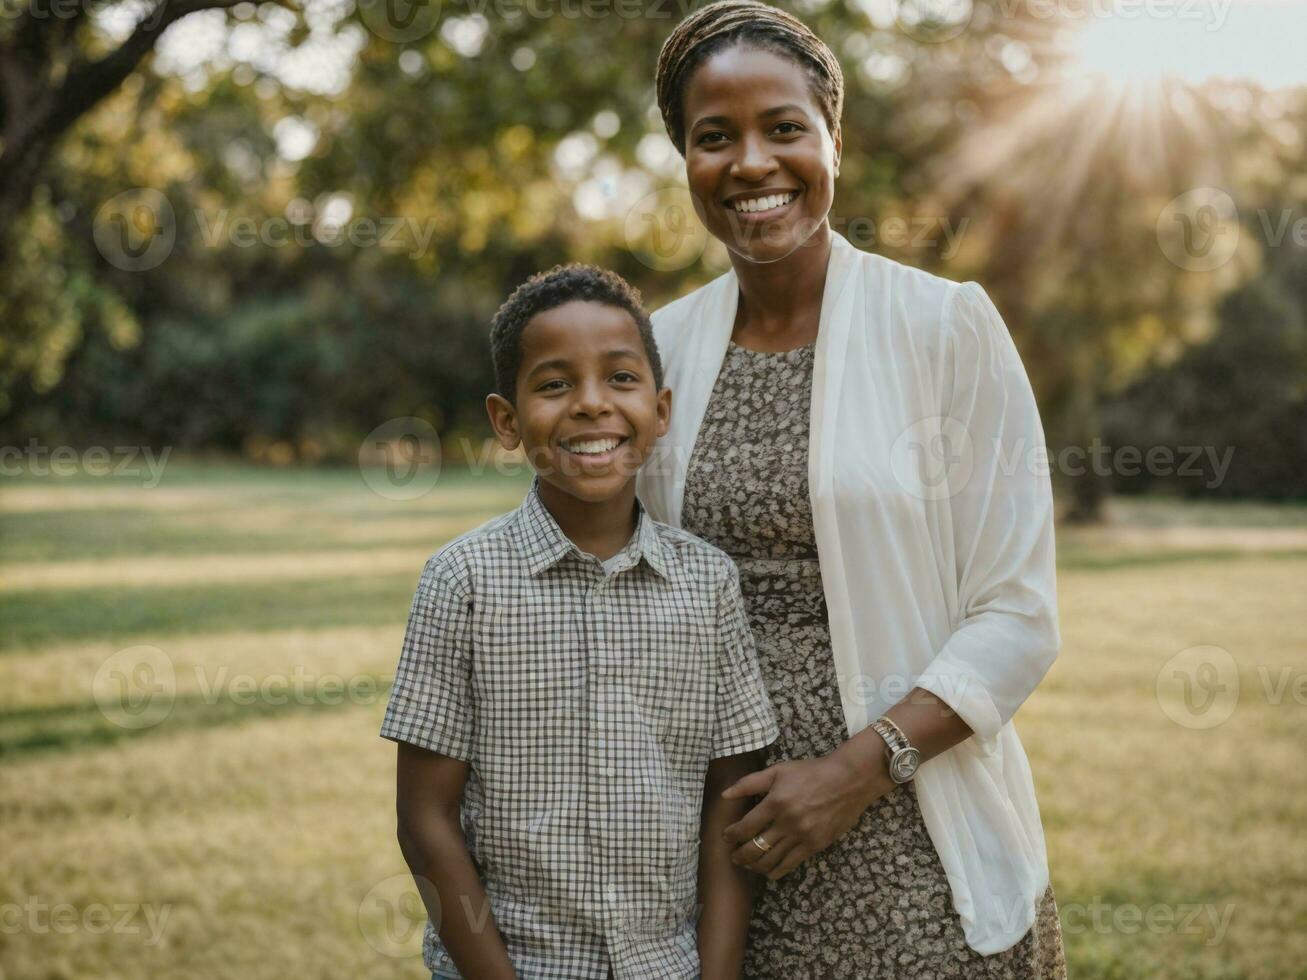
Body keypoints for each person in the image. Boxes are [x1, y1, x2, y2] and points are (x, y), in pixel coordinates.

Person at [634, 2, 1069, 976]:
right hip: (710, 849)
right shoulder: (654, 348)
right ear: (684, 159)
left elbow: (1015, 614)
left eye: (782, 127)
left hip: (907, 835)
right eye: (713, 137)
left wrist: (852, 772)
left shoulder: (942, 326)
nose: (750, 163)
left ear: (833, 138)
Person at [379, 264, 779, 980]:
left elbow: (729, 812)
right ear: (506, 420)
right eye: (555, 384)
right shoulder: (462, 582)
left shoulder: (709, 584)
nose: (591, 405)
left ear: (659, 410)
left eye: (619, 379)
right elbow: (425, 822)